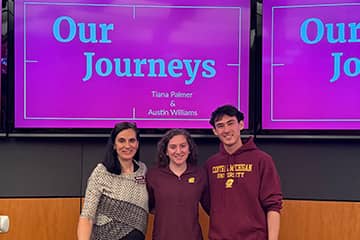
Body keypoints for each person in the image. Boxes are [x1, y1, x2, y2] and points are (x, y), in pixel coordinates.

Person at [205, 105, 283, 240]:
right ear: (215, 131)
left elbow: (273, 206)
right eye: (220, 125)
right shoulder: (210, 164)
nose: (226, 130)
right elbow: (208, 205)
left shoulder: (262, 160)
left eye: (231, 123)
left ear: (241, 125)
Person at [77, 122, 148, 240]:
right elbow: (87, 217)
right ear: (114, 145)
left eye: (132, 140)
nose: (127, 145)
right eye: (121, 141)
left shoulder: (143, 170)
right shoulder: (101, 172)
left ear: (137, 143)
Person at [146, 129, 209, 240]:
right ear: (166, 151)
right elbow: (149, 206)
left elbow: (210, 206)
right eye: (173, 147)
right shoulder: (153, 175)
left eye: (183, 146)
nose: (178, 151)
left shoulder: (200, 174)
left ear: (189, 149)